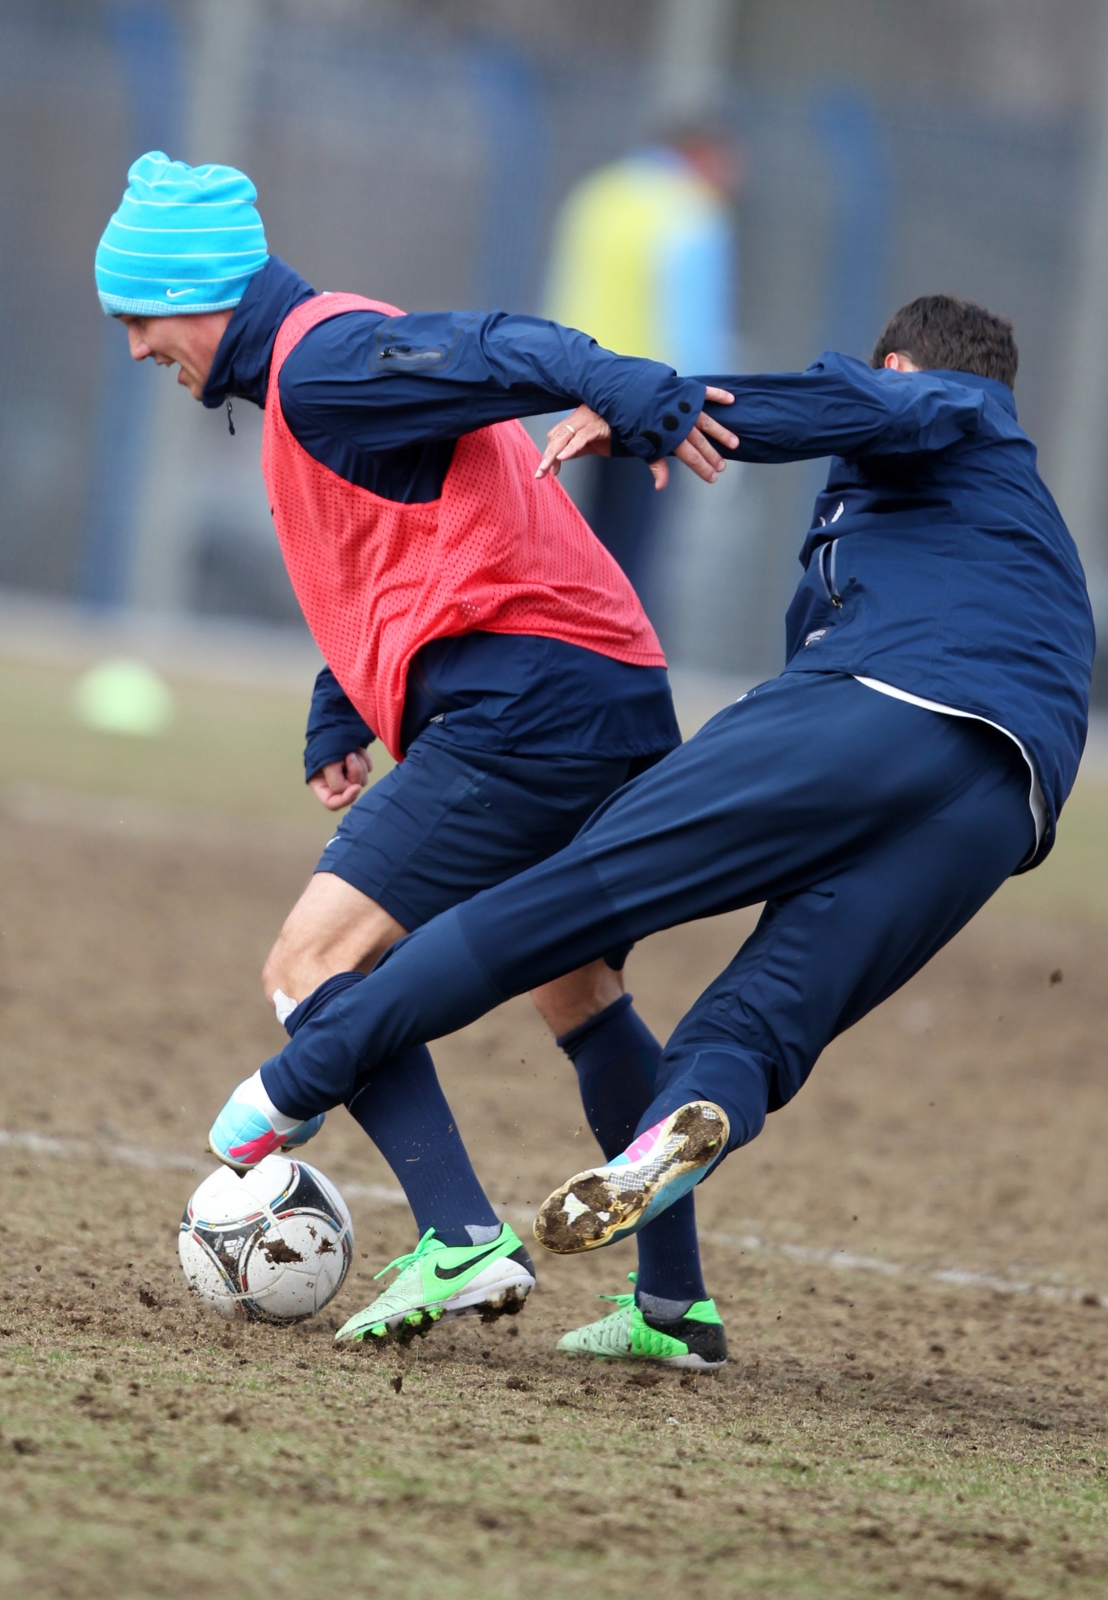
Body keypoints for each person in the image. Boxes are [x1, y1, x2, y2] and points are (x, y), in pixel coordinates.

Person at [212, 294, 1094, 1352]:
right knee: (753, 1029)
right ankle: (676, 1226)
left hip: (882, 704)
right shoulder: (1001, 523)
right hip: (1003, 805)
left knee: (561, 900)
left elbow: (874, 408)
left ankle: (295, 1081)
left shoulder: (954, 409)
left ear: (897, 365)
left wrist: (658, 410)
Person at [96, 151, 738, 1368]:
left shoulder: (324, 358)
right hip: (602, 694)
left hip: (532, 705)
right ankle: (674, 1309)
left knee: (311, 961)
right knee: (580, 994)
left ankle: (458, 1234)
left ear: (196, 291)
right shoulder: (312, 376)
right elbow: (419, 541)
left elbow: (498, 342)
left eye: (140, 317)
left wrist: (626, 384)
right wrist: (341, 696)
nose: (137, 348)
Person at [544, 123, 742, 598]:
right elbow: (695, 327)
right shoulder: (692, 212)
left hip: (575, 389)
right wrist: (714, 406)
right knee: (633, 546)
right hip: (653, 400)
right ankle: (618, 653)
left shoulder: (598, 195)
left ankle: (571, 638)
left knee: (579, 535)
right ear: (702, 153)